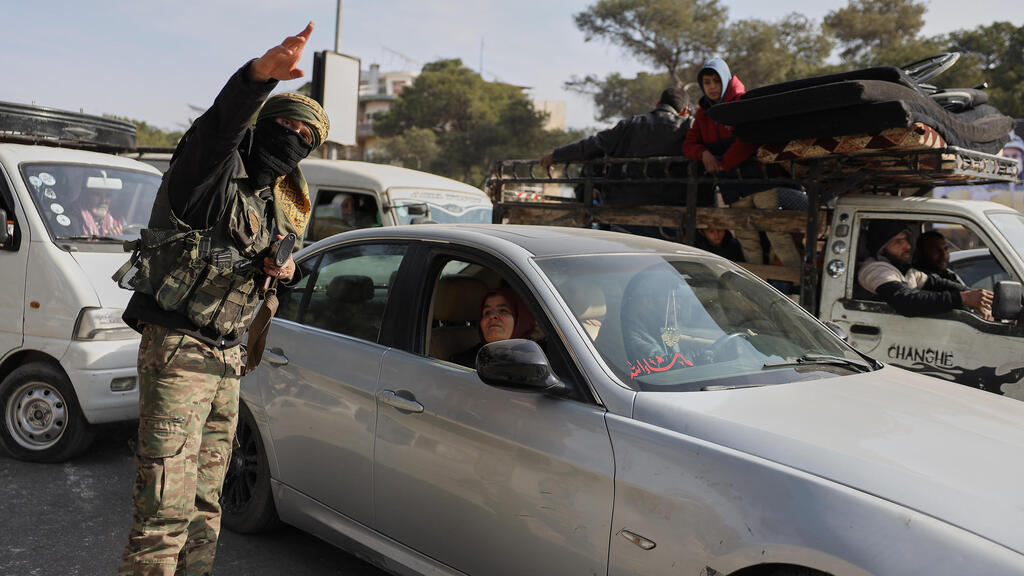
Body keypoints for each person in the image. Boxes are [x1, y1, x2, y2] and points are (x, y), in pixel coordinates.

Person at [117, 23, 329, 575]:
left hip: (226, 359)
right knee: (163, 510)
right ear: (260, 127)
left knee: (207, 506)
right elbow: (219, 130)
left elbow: (257, 270)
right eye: (283, 127)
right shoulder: (208, 175)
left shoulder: (280, 204)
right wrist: (258, 79)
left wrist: (275, 269)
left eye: (306, 140)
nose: (293, 140)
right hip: (178, 351)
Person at [682, 57, 802, 270]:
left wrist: (725, 163)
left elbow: (748, 138)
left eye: (716, 81)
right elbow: (689, 144)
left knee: (776, 233)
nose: (711, 87)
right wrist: (704, 154)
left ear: (725, 80)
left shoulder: (743, 102)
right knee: (747, 237)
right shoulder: (703, 113)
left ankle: (797, 286)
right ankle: (756, 288)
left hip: (761, 181)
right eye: (707, 82)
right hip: (733, 186)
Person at [538, 87, 692, 206]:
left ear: (658, 104)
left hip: (624, 205)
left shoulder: (631, 123)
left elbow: (592, 144)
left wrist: (555, 156)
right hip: (672, 209)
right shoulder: (688, 127)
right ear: (684, 111)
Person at [856, 220, 992, 319]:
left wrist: (978, 297)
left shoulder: (903, 268)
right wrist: (962, 298)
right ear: (882, 247)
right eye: (898, 241)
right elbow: (906, 301)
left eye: (905, 239)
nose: (907, 246)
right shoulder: (874, 270)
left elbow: (935, 283)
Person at [450, 288, 537, 368]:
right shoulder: (460, 365)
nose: (492, 316)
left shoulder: (539, 357)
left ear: (521, 319)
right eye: (487, 313)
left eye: (503, 310)